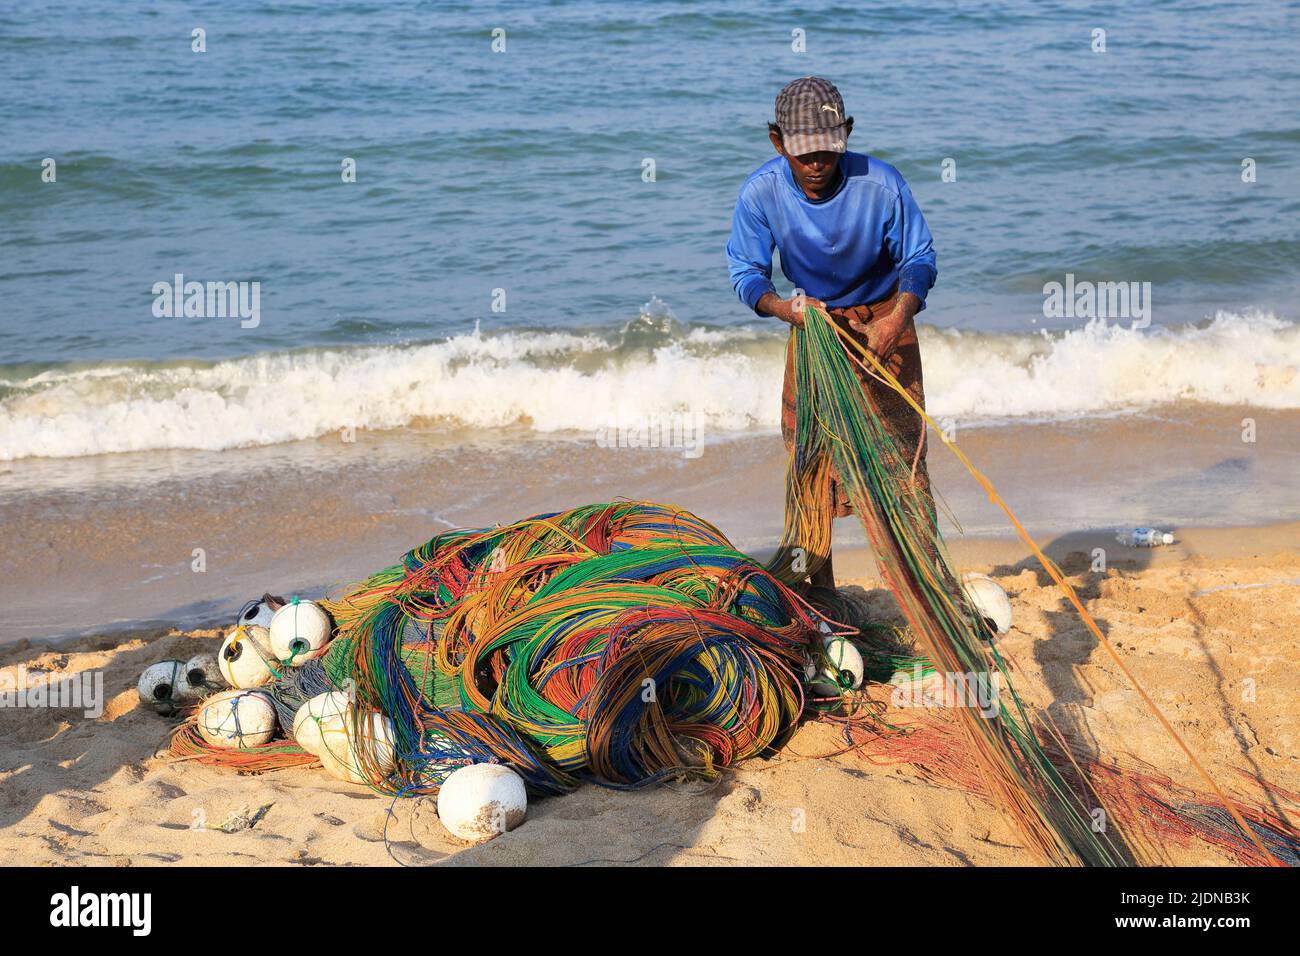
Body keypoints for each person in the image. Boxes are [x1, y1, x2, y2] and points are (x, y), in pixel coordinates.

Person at [726, 76, 938, 590]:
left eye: (828, 150)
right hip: (814, 326)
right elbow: (747, 274)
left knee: (902, 463)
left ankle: (926, 588)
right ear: (778, 142)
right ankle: (820, 596)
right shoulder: (761, 192)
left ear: (846, 133)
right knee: (810, 462)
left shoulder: (881, 184)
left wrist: (897, 318)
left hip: (885, 322)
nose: (817, 164)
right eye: (803, 154)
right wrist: (784, 308)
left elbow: (919, 259)